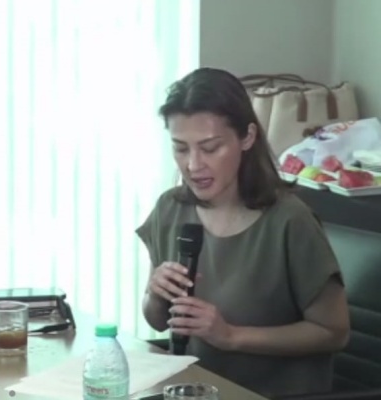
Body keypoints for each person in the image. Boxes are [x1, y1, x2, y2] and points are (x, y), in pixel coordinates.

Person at [137, 68, 349, 397]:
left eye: (210, 148)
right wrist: (155, 293)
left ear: (247, 138)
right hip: (194, 391)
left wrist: (231, 336)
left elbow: (333, 332)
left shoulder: (290, 221)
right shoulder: (170, 208)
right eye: (181, 148)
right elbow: (157, 321)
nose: (193, 165)